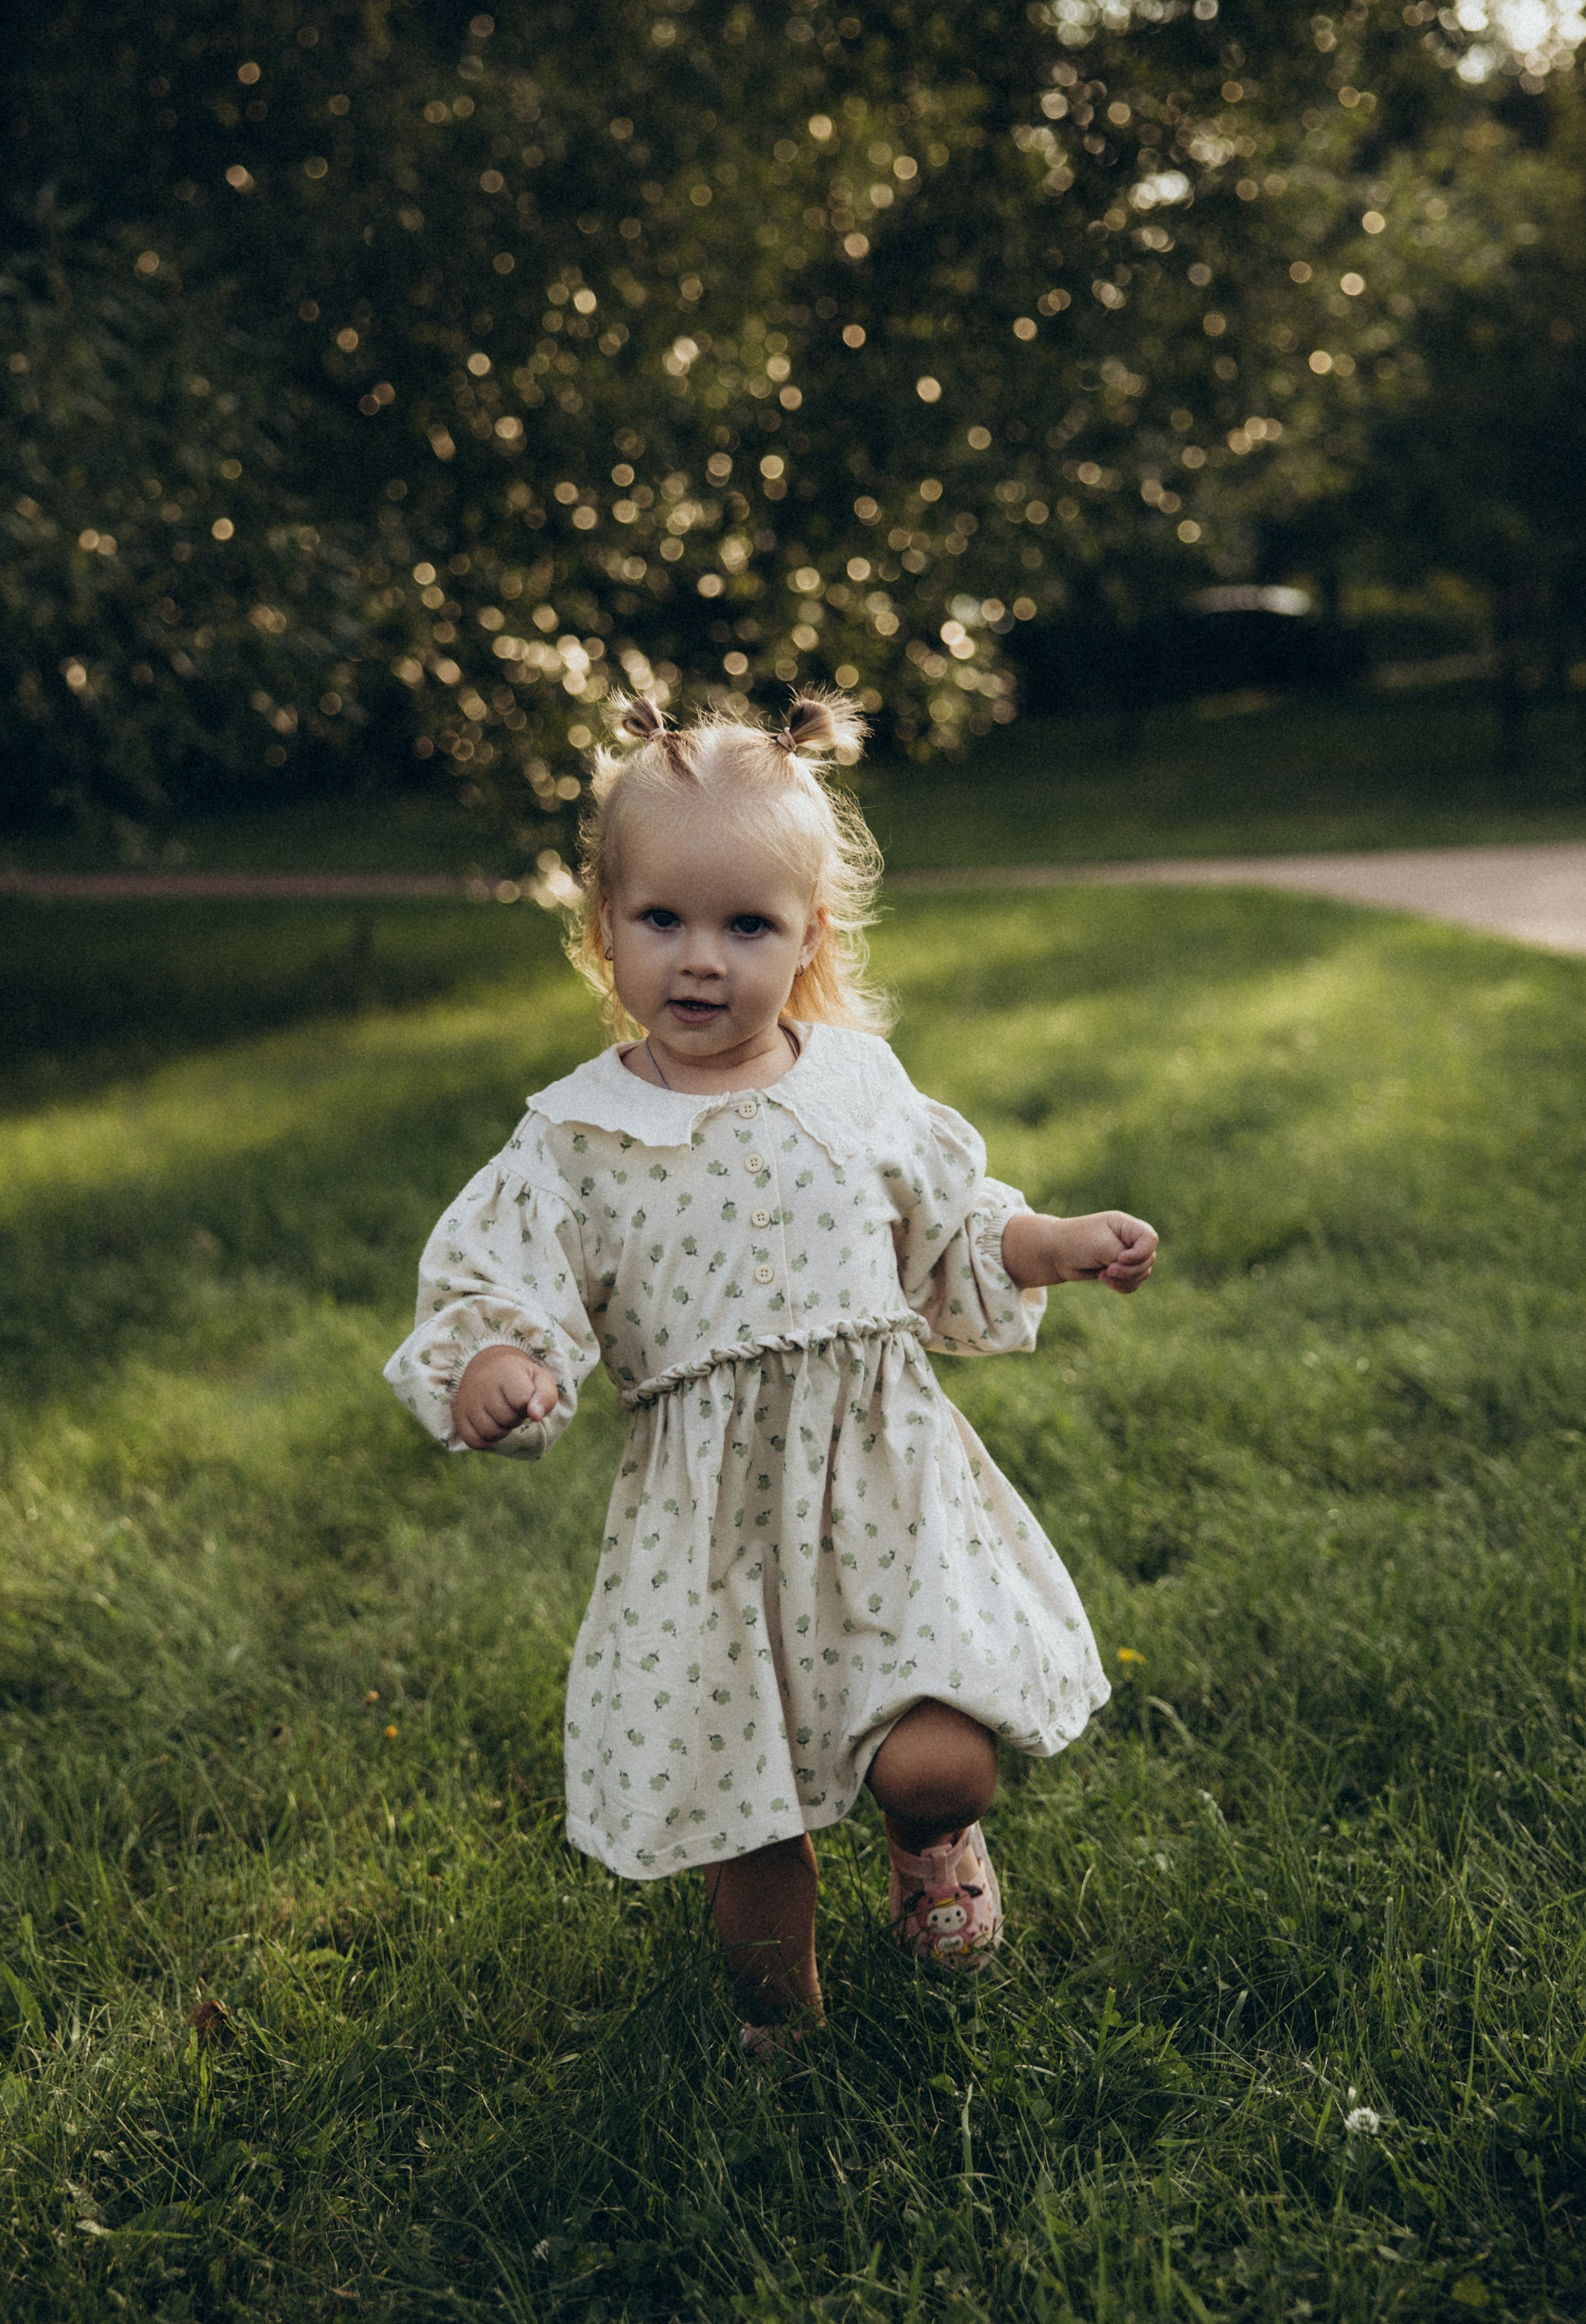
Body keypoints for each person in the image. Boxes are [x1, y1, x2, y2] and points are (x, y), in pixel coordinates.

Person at [386, 690, 1158, 2052]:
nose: (700, 960)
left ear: (808, 939)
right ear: (602, 932)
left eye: (746, 925)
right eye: (662, 922)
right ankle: (777, 2031)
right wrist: (494, 1363)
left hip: (887, 1493)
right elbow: (500, 1278)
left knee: (940, 1754)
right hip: (710, 1531)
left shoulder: (853, 1088)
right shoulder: (577, 1137)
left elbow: (952, 1226)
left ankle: (929, 1850)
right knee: (744, 1815)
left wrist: (1055, 1244)